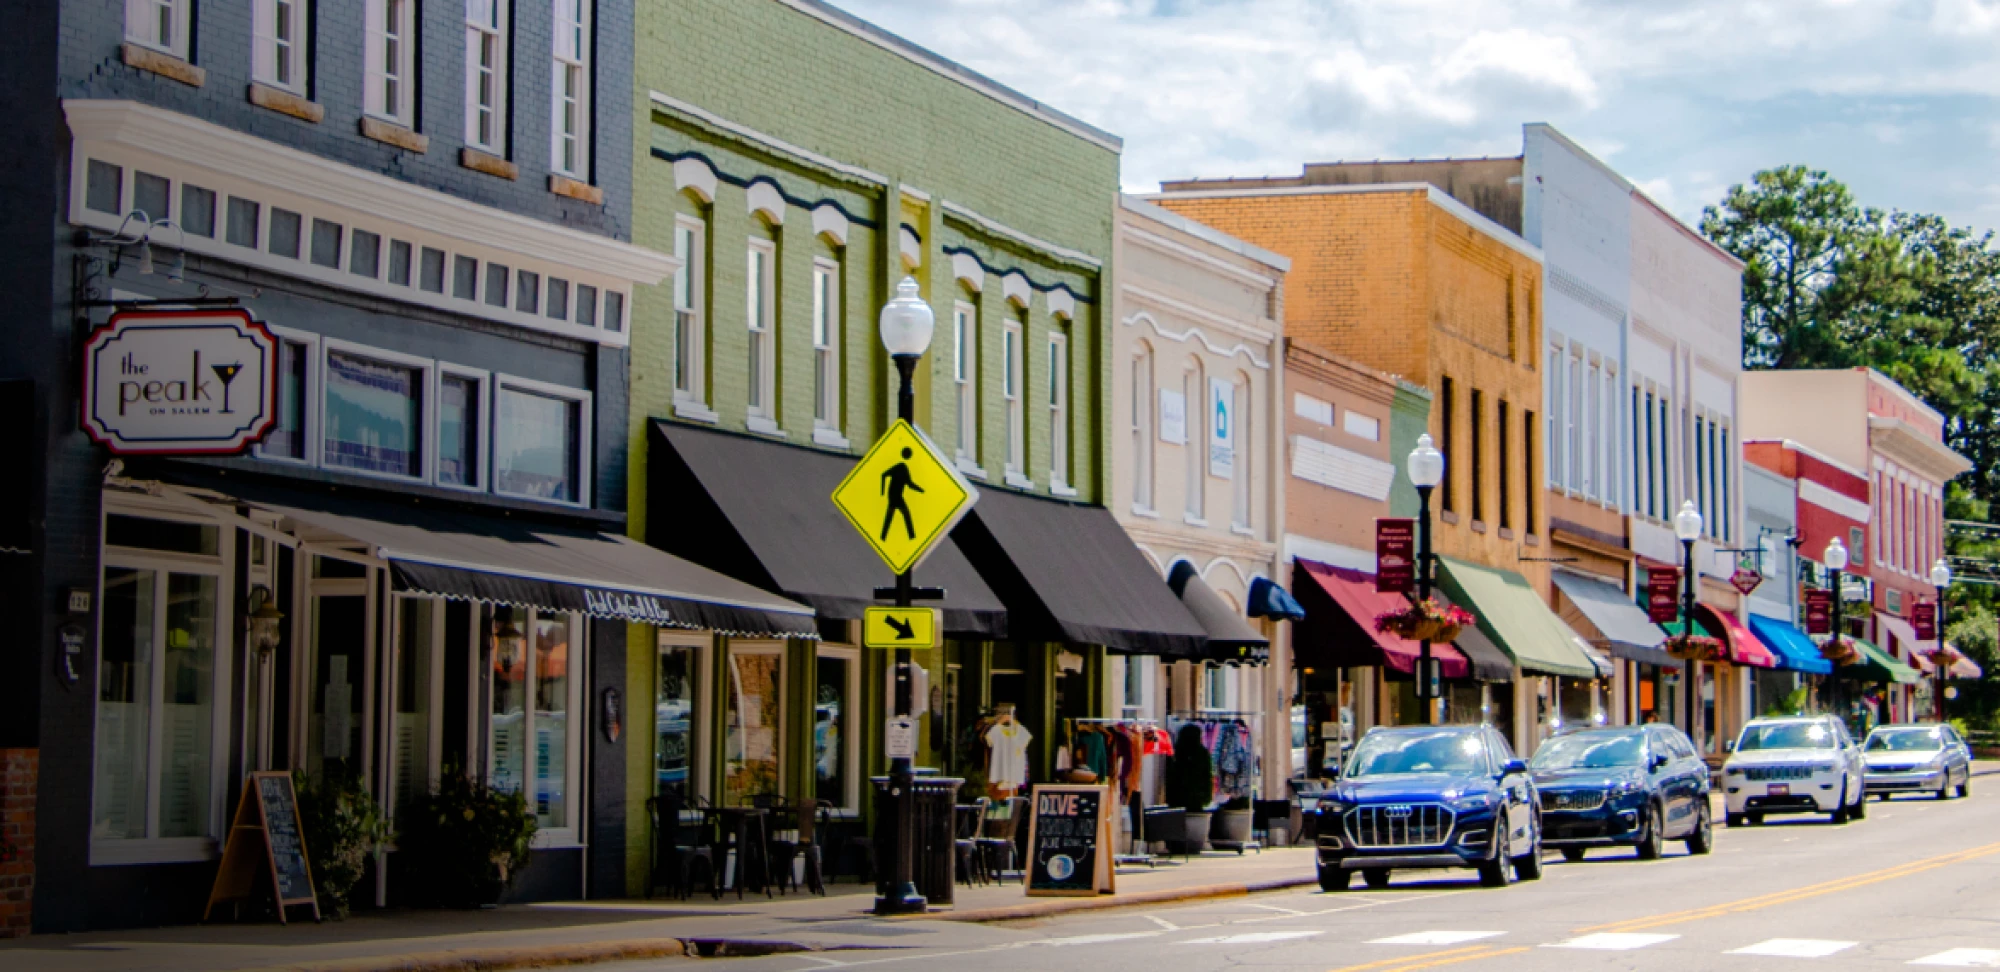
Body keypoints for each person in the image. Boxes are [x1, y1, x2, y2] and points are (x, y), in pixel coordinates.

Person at [880, 447, 924, 541]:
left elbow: (909, 484)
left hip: (896, 496)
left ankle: (884, 537)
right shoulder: (900, 467)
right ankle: (911, 537)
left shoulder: (903, 468)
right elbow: (883, 475)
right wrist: (882, 492)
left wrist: (920, 489)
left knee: (897, 516)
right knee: (903, 515)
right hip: (894, 497)